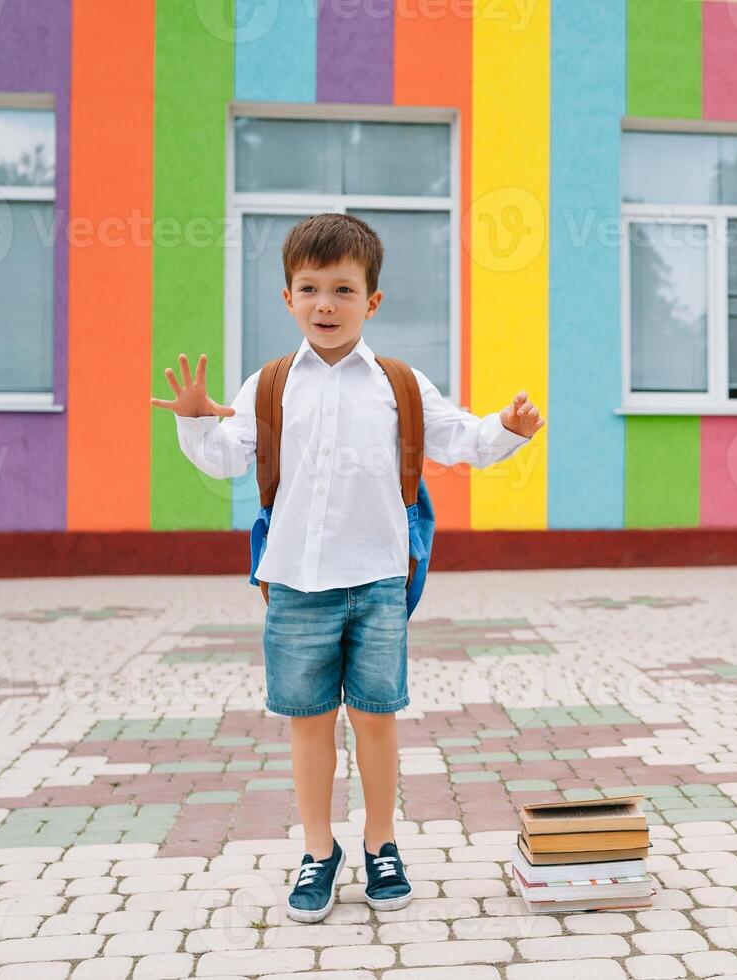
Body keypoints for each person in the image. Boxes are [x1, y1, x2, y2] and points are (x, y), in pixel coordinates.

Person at [150, 213, 545, 922]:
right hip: (295, 584)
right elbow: (224, 458)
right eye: (309, 289)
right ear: (288, 299)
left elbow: (460, 440)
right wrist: (192, 421)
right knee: (307, 720)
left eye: (342, 289)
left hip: (377, 582)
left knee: (376, 718)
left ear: (372, 301)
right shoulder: (267, 385)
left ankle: (381, 842)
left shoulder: (398, 382)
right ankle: (316, 850)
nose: (324, 304)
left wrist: (506, 430)